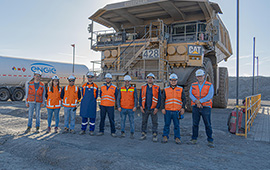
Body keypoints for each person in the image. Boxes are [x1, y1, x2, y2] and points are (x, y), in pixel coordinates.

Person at [189, 69, 214, 148]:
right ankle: (194, 139)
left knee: (207, 124)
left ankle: (210, 140)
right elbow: (191, 94)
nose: (200, 77)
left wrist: (199, 101)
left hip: (205, 107)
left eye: (201, 76)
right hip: (196, 106)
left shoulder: (209, 85)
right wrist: (196, 101)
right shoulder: (193, 85)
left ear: (204, 76)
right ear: (196, 77)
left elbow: (209, 95)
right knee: (195, 124)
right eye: (198, 76)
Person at [161, 73, 186, 144]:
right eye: (172, 80)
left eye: (175, 80)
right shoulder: (166, 89)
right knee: (166, 125)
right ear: (169, 81)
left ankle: (177, 138)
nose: (173, 82)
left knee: (177, 125)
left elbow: (184, 99)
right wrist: (163, 108)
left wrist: (183, 108)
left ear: (177, 81)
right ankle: (165, 136)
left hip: (176, 111)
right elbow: (163, 99)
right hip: (168, 110)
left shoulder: (180, 89)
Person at [139, 73, 161, 142]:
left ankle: (155, 135)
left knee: (155, 122)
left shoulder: (157, 87)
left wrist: (157, 108)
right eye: (149, 78)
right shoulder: (143, 87)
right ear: (147, 79)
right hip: (145, 108)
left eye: (151, 78)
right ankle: (143, 134)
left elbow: (159, 98)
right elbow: (140, 97)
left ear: (153, 79)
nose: (150, 79)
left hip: (153, 108)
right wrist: (141, 106)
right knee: (144, 122)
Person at [97, 73, 118, 137]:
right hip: (103, 105)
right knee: (102, 119)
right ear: (105, 79)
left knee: (111, 119)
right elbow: (101, 95)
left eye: (109, 78)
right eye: (106, 78)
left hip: (110, 106)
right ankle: (101, 131)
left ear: (111, 79)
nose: (107, 79)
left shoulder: (114, 87)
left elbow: (116, 96)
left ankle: (113, 132)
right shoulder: (102, 87)